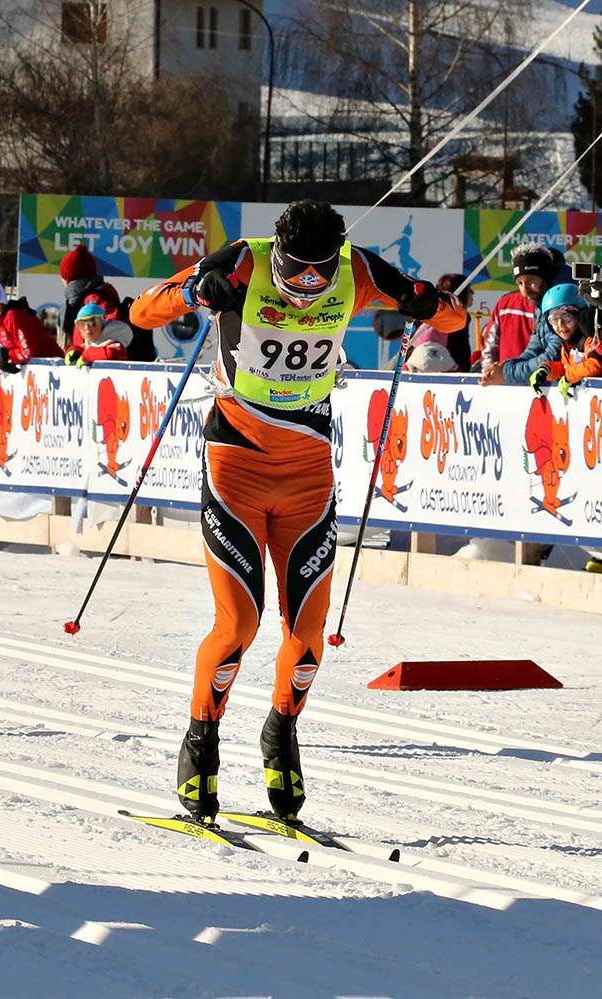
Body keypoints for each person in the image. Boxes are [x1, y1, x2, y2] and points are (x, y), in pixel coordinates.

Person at [129, 199, 467, 824]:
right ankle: (201, 743)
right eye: (295, 272)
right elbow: (140, 310)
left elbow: (451, 313)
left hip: (309, 471)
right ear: (276, 252)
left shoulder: (357, 269)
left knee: (307, 638)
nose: (307, 288)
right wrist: (195, 293)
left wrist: (426, 304)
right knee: (236, 628)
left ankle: (280, 734)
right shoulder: (242, 261)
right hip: (236, 461)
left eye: (319, 273)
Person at [479, 243, 557, 374]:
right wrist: (490, 373)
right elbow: (490, 347)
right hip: (508, 381)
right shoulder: (505, 303)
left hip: (542, 382)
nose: (525, 289)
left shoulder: (558, 307)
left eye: (531, 281)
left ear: (546, 278)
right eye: (520, 283)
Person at [0, 279, 64, 373]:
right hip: (38, 371)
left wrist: (8, 357)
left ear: (2, 304)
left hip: (55, 367)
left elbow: (29, 351)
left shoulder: (14, 317)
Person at [529, 283, 600, 396]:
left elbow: (595, 365)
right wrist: (546, 370)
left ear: (579, 316)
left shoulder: (591, 341)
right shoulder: (568, 345)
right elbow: (566, 367)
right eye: (554, 320)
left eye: (566, 318)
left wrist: (568, 378)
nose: (561, 326)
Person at [64, 301, 132, 366]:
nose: (87, 328)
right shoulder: (91, 343)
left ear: (103, 323)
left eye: (93, 323)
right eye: (82, 324)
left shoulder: (112, 341)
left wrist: (87, 356)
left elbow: (114, 353)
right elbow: (82, 347)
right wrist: (72, 351)